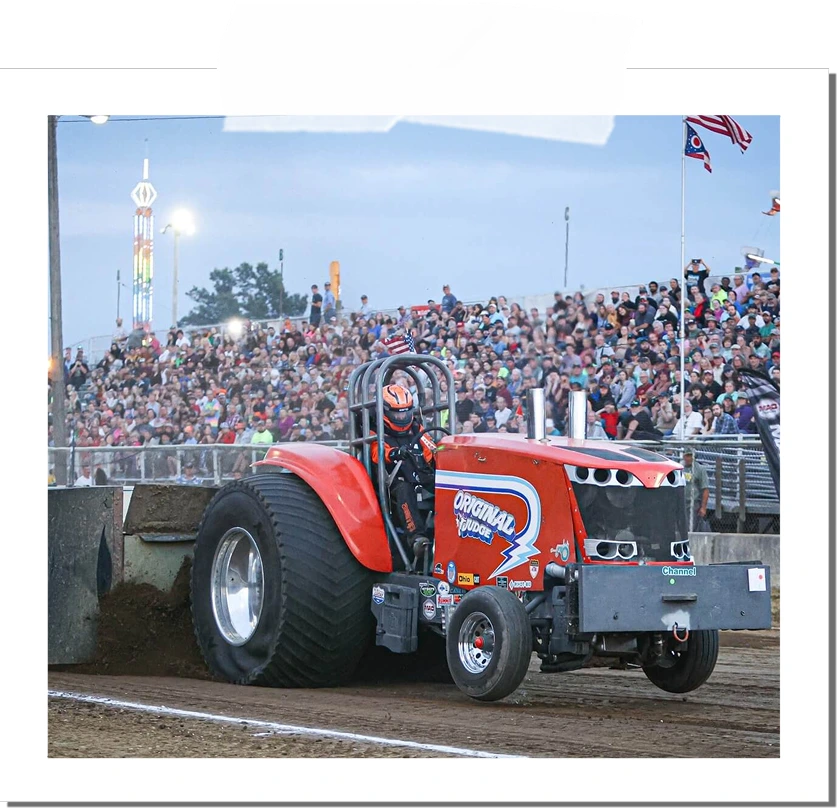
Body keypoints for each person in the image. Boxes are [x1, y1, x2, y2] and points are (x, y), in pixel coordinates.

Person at [370, 384, 438, 560]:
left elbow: (430, 448)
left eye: (405, 412)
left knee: (444, 486)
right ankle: (417, 538)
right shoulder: (375, 429)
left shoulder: (416, 427)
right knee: (404, 489)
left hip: (422, 476)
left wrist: (441, 456)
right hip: (393, 481)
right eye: (397, 413)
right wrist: (394, 453)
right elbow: (377, 452)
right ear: (385, 411)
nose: (401, 417)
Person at [682, 448, 710, 532]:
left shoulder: (700, 469)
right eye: (687, 455)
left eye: (691, 455)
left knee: (691, 527)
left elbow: (705, 489)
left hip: (694, 503)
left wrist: (703, 507)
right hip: (681, 503)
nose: (689, 458)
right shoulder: (680, 468)